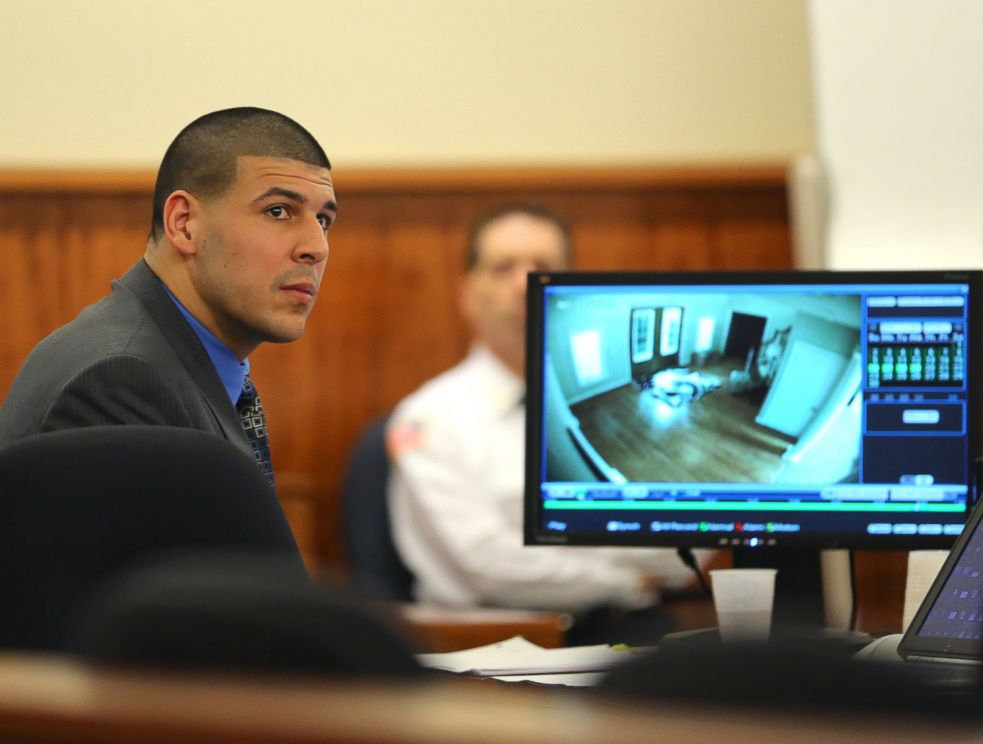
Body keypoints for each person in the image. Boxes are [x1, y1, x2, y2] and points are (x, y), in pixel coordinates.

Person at [386, 204, 704, 630]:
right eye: (502, 268)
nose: (525, 283)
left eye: (544, 266)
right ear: (468, 293)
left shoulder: (623, 407)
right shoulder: (429, 420)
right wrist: (629, 579)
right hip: (484, 649)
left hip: (631, 634)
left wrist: (566, 558)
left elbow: (685, 547)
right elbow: (485, 567)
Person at [0, 107, 337, 488]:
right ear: (183, 224)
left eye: (323, 220)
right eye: (278, 211)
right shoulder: (120, 381)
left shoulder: (159, 357)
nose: (317, 247)